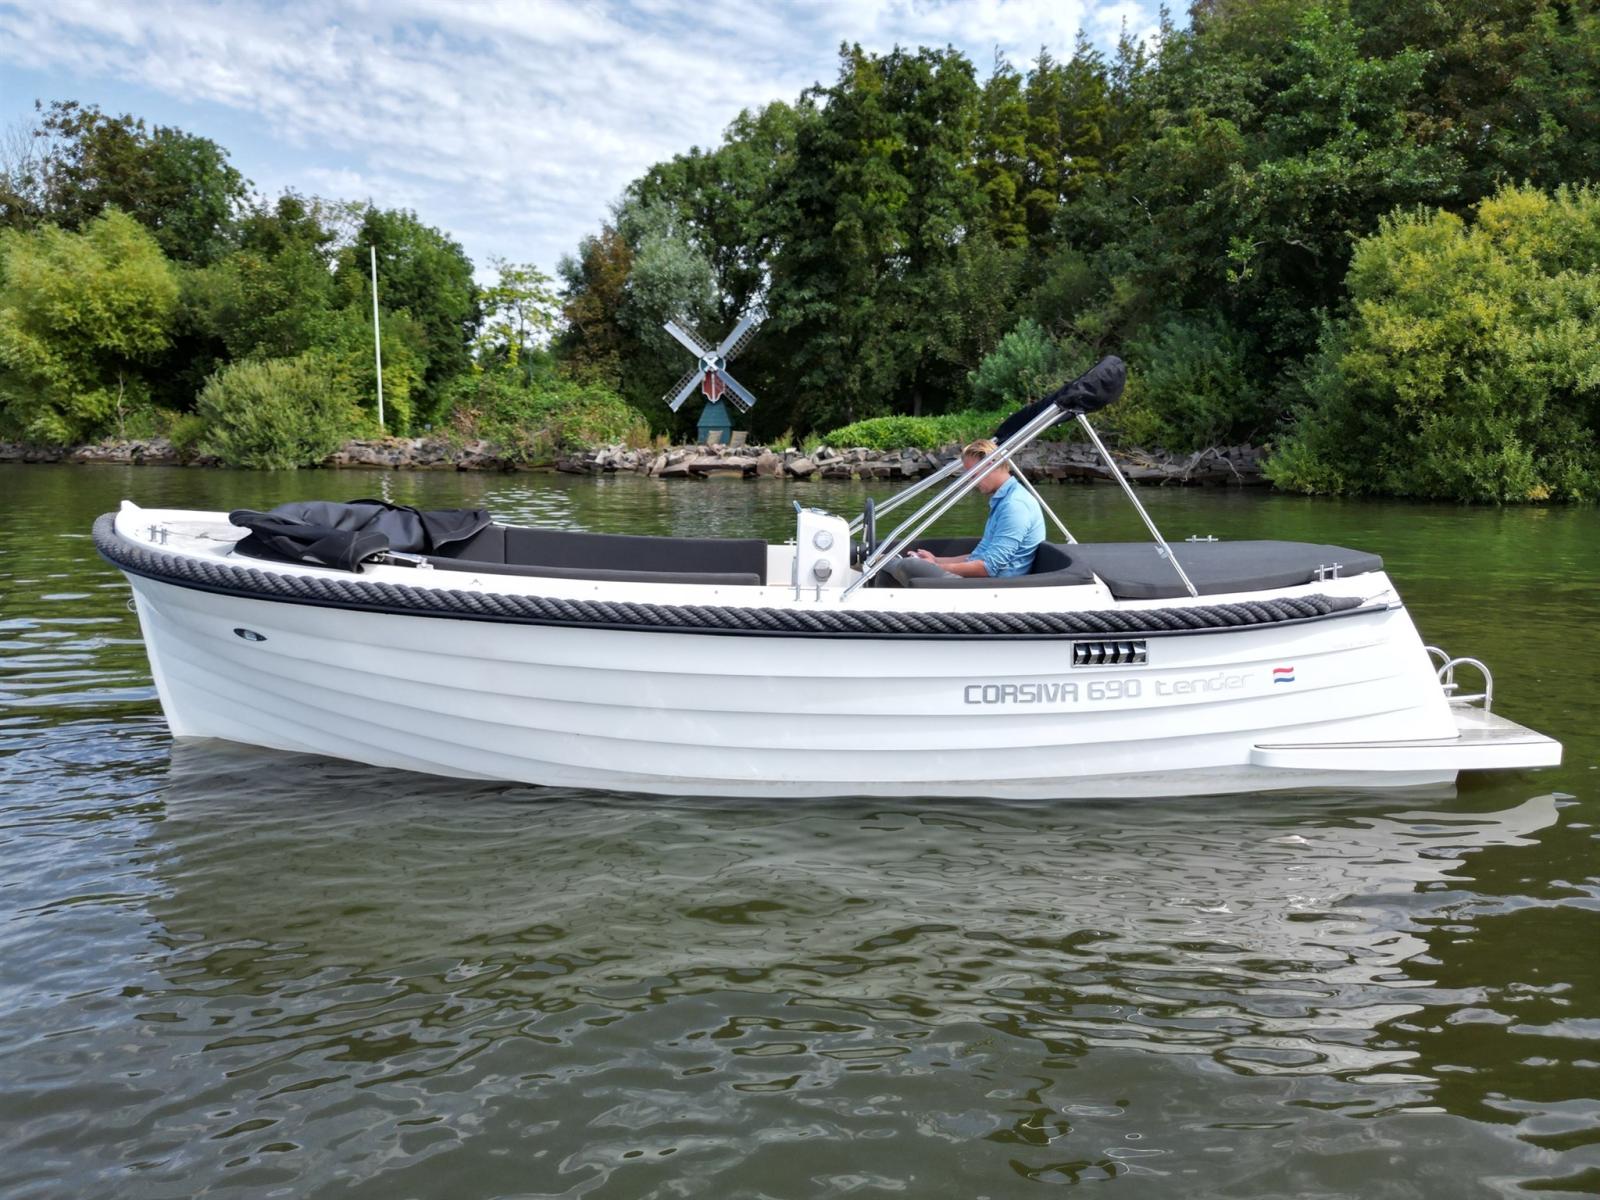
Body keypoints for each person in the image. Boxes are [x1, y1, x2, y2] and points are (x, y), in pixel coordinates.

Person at [886, 439, 1045, 585]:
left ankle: (884, 562)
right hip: (985, 582)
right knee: (910, 565)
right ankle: (886, 563)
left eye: (973, 473)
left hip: (994, 588)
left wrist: (934, 566)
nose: (971, 480)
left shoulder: (1015, 505)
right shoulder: (1005, 501)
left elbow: (988, 567)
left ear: (990, 464)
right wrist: (936, 560)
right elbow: (978, 557)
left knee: (910, 566)